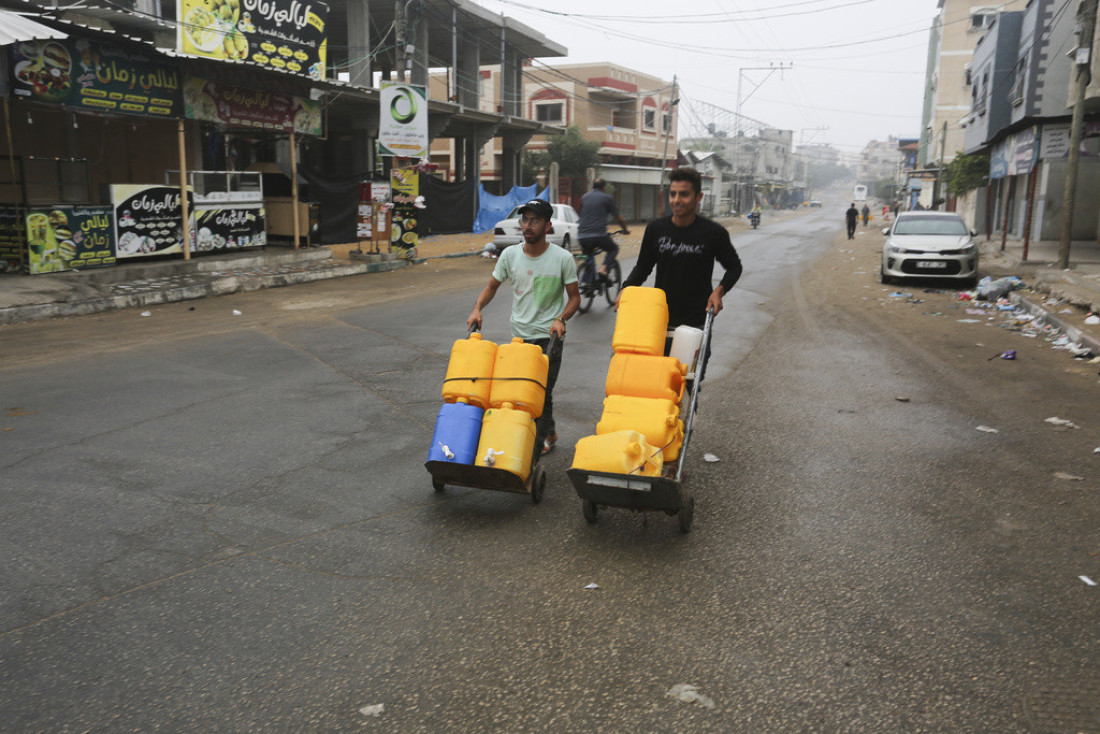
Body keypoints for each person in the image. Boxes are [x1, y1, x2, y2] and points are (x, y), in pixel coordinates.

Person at [468, 199, 581, 457]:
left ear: (547, 226)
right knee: (522, 391)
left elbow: (575, 297)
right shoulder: (510, 255)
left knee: (541, 391)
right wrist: (477, 308)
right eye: (525, 220)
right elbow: (491, 287)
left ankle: (536, 443)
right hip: (519, 338)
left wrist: (561, 319)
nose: (527, 226)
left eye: (534, 221)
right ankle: (547, 432)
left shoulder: (562, 258)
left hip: (548, 337)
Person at [619, 166, 743, 370]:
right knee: (656, 380)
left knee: (687, 382)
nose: (677, 200)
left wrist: (719, 292)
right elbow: (643, 266)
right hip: (659, 319)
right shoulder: (656, 229)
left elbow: (734, 267)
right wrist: (627, 288)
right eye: (673, 194)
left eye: (684, 194)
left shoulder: (713, 233)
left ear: (698, 196)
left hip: (696, 321)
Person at [577, 177, 629, 284]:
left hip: (582, 236)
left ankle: (587, 283)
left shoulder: (584, 197)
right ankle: (603, 269)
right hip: (599, 235)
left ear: (592, 187)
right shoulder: (607, 198)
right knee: (613, 248)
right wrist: (625, 229)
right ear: (604, 188)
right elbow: (619, 217)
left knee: (588, 256)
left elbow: (581, 214)